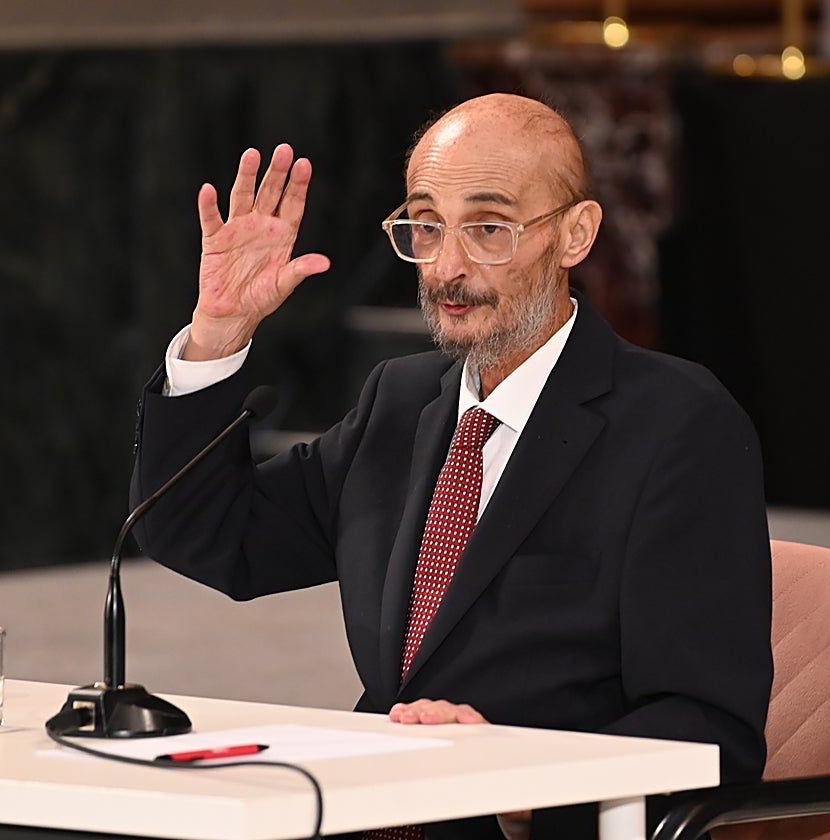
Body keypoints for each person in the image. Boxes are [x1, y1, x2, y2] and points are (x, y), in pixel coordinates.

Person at [131, 93, 772, 839]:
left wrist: (522, 784)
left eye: (490, 228)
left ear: (575, 234)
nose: (449, 266)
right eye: (427, 227)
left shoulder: (676, 423)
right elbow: (205, 532)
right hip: (371, 815)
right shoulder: (400, 402)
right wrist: (218, 331)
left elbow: (711, 731)